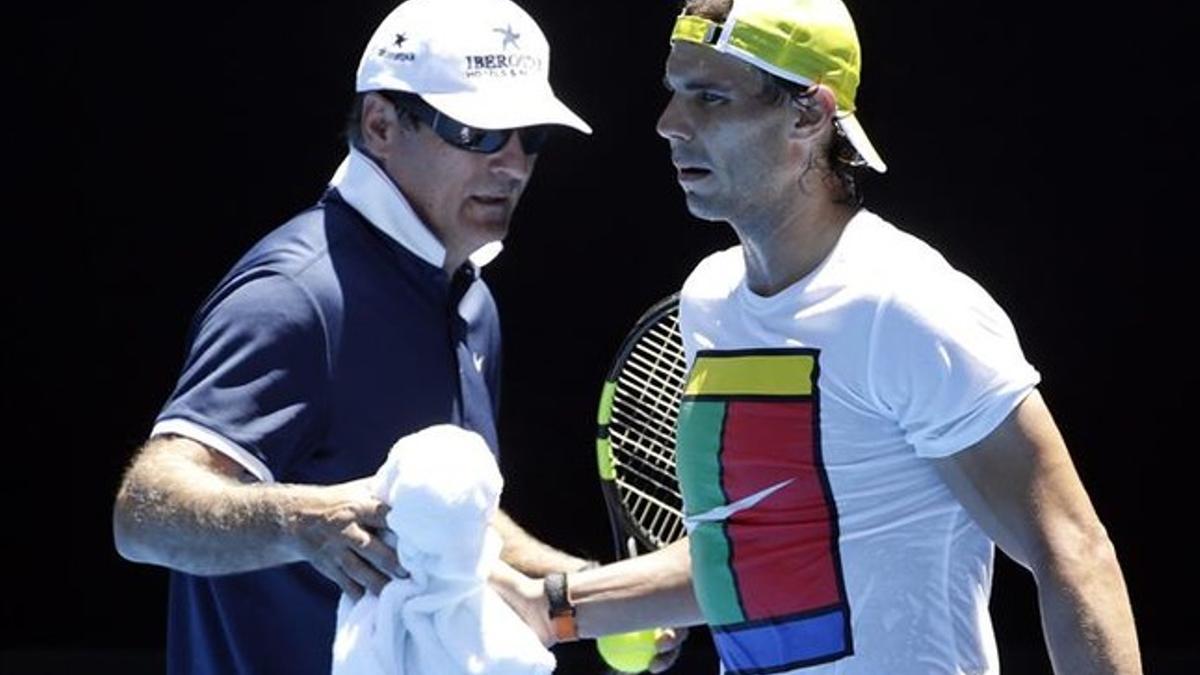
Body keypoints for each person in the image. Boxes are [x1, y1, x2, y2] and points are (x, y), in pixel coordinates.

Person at [490, 1, 1143, 673]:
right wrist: (553, 603)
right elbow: (750, 552)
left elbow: (1073, 551)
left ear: (808, 113)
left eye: (709, 98)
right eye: (674, 93)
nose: (670, 124)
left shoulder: (906, 303)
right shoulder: (708, 302)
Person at [112, 1, 602, 673]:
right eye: (478, 132)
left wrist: (586, 590)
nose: (512, 163)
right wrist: (301, 520)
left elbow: (449, 521)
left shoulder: (470, 297)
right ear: (380, 125)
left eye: (529, 136)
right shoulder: (295, 296)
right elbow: (146, 512)